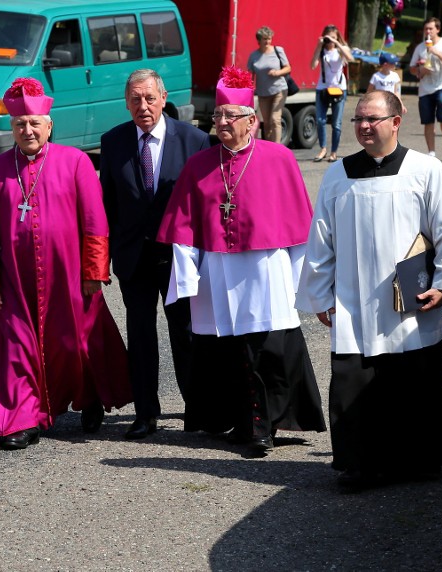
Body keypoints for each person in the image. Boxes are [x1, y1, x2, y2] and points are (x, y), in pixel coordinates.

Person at [296, 90, 442, 490]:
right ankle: (359, 464)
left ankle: (420, 460)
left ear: (396, 120)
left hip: (410, 302)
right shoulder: (338, 175)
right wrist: (320, 295)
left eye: (372, 119)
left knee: (413, 379)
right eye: (358, 119)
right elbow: (321, 239)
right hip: (354, 301)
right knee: (355, 380)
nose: (364, 126)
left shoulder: (425, 170)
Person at [156, 67, 326, 454]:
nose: (221, 122)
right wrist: (185, 275)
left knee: (267, 347)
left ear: (252, 121)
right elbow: (183, 225)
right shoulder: (199, 165)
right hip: (216, 269)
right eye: (217, 116)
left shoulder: (279, 158)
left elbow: (300, 227)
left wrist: (306, 281)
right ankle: (238, 420)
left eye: (230, 116)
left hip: (265, 267)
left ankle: (264, 425)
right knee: (225, 351)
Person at [0, 78, 131, 450]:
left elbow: (95, 222)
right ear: (11, 127)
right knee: (17, 349)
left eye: (34, 123)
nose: (28, 130)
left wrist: (94, 272)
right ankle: (25, 419)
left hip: (69, 277)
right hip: (16, 281)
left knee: (77, 344)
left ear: (49, 125)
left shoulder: (75, 162)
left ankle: (89, 398)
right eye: (20, 124)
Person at [100, 69, 209, 439]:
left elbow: (204, 205)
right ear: (126, 102)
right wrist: (105, 257)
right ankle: (146, 413)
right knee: (141, 335)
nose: (142, 106)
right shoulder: (113, 142)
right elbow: (108, 206)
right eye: (135, 99)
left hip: (178, 256)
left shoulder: (195, 141)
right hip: (133, 257)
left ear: (164, 98)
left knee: (188, 333)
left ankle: (198, 409)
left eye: (149, 98)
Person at [409, 17, 442, 158]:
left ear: (437, 29)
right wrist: (420, 71)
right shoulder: (420, 47)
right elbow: (411, 68)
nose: (428, 31)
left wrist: (437, 53)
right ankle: (431, 153)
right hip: (425, 88)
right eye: (426, 29)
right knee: (428, 121)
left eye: (430, 28)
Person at [310, 24, 354, 163]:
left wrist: (337, 43)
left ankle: (334, 152)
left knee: (336, 123)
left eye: (333, 37)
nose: (330, 41)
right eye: (328, 38)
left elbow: (350, 58)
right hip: (322, 88)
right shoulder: (322, 50)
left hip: (339, 89)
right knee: (320, 120)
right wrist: (319, 46)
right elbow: (312, 66)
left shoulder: (341, 49)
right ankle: (323, 149)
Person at [247, 26, 291, 143]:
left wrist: (277, 72)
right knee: (266, 123)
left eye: (269, 39)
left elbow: (288, 68)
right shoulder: (254, 56)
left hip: (279, 90)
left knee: (275, 119)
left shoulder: (278, 50)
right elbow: (250, 76)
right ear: (259, 40)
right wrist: (248, 91)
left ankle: (277, 148)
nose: (267, 41)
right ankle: (269, 147)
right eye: (265, 39)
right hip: (263, 93)